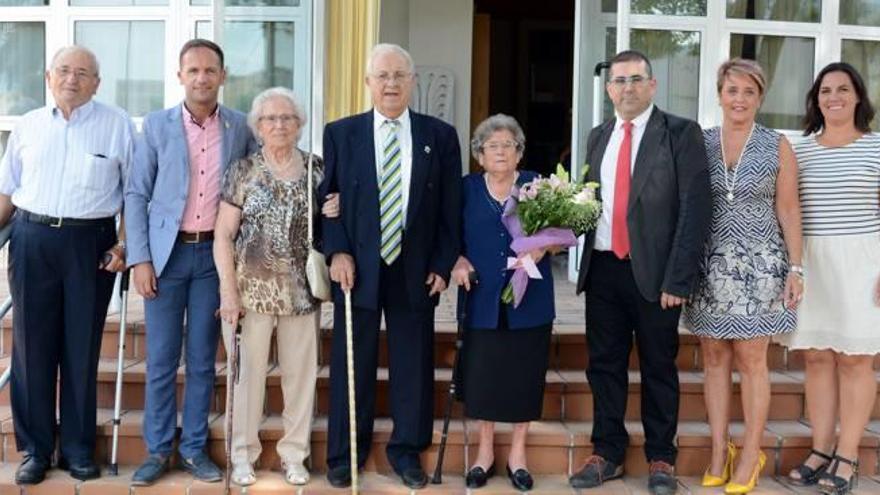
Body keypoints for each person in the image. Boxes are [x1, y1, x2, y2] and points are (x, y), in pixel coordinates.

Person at [319, 43, 461, 489]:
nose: (392, 83)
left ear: (413, 81)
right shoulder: (341, 133)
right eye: (382, 76)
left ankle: (407, 452)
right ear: (368, 83)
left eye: (400, 75)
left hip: (415, 267)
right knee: (351, 362)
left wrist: (442, 261)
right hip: (356, 268)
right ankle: (346, 454)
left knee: (413, 365)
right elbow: (327, 202)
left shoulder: (439, 136)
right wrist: (336, 252)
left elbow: (450, 208)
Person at [569, 50, 712, 495]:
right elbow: (589, 201)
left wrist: (679, 278)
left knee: (658, 366)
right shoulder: (598, 136)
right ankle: (607, 451)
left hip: (656, 275)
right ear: (609, 88)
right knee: (604, 365)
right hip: (604, 270)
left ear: (652, 85)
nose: (627, 88)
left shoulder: (680, 133)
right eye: (619, 81)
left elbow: (695, 207)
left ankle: (661, 458)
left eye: (635, 79)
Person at [125, 39, 258, 486]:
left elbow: (256, 186)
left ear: (223, 76)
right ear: (180, 76)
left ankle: (195, 449)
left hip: (214, 258)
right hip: (166, 256)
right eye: (193, 70)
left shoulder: (241, 128)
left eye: (210, 70)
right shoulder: (157, 127)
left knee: (202, 360)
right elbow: (136, 194)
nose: (202, 77)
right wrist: (139, 258)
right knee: (161, 360)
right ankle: (158, 450)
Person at [0, 46, 132, 484]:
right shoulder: (28, 126)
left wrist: (126, 244)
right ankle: (35, 450)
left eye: (82, 73)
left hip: (89, 242)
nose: (71, 79)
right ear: (47, 76)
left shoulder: (116, 126)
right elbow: (6, 191)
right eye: (63, 71)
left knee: (81, 347)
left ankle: (77, 449)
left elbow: (133, 193)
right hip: (31, 237)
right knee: (31, 348)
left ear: (97, 81)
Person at [682, 58, 803, 494]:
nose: (739, 99)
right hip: (710, 264)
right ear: (720, 95)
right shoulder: (700, 141)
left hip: (760, 265)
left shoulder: (777, 144)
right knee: (714, 359)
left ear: (759, 98)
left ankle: (751, 452)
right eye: (732, 90)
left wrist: (796, 266)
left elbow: (789, 209)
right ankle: (719, 450)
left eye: (749, 92)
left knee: (752, 360)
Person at [214, 87, 333, 486]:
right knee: (246, 379)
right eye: (270, 119)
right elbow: (223, 236)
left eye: (287, 118)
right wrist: (228, 293)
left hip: (302, 294)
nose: (279, 125)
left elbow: (332, 223)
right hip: (250, 296)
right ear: (258, 127)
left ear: (299, 125)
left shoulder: (317, 169)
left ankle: (294, 454)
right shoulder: (243, 170)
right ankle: (243, 454)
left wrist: (335, 208)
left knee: (300, 380)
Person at [777, 62, 880, 495]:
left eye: (842, 89)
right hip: (812, 261)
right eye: (825, 91)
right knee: (817, 356)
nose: (833, 97)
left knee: (856, 359)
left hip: (864, 261)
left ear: (858, 97)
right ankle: (820, 449)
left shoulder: (876, 148)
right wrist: (794, 268)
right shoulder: (799, 149)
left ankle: (848, 454)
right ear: (815, 100)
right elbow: (789, 210)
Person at [450, 114, 555, 491]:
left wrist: (547, 245)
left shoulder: (537, 185)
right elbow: (449, 236)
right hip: (481, 296)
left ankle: (518, 455)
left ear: (519, 152)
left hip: (531, 296)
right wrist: (457, 261)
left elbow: (565, 230)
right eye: (491, 146)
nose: (499, 151)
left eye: (507, 145)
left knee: (525, 375)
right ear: (479, 154)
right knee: (483, 377)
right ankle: (485, 453)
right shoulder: (465, 189)